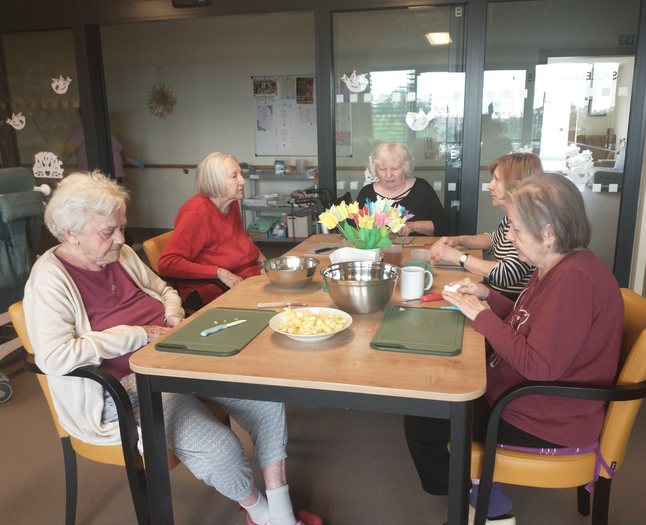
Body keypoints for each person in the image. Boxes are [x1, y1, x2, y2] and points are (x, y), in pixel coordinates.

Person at [22, 172, 321, 525]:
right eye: (108, 231)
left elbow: (165, 289)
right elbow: (54, 356)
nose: (121, 239)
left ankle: (280, 507)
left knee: (265, 396)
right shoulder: (49, 279)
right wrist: (139, 334)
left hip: (176, 352)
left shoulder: (121, 254)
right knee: (219, 447)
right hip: (131, 385)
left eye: (122, 227)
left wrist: (172, 314)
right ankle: (261, 513)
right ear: (71, 234)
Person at [405, 173, 623, 524]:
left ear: (549, 234)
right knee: (430, 405)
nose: (508, 237)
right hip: (528, 396)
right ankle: (479, 489)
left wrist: (481, 316)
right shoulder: (557, 263)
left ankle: (484, 503)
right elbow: (528, 322)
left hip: (544, 416)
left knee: (425, 420)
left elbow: (539, 365)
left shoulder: (573, 281)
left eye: (517, 230)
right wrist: (487, 296)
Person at [158, 152, 266, 310]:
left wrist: (260, 257)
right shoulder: (196, 213)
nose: (243, 181)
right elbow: (167, 264)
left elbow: (237, 238)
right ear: (216, 181)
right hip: (214, 288)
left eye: (240, 174)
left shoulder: (231, 203)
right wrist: (218, 272)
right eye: (234, 176)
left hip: (246, 274)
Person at [430, 153, 543, 301]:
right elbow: (492, 239)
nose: (490, 186)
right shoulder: (512, 218)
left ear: (516, 184)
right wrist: (458, 240)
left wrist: (457, 256)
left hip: (508, 302)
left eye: (497, 179)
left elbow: (506, 275)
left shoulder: (528, 224)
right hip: (493, 295)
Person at [357, 142, 450, 236]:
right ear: (376, 169)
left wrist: (413, 226)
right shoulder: (367, 193)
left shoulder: (422, 189)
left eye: (394, 169)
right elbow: (354, 230)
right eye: (383, 169)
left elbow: (444, 227)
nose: (388, 175)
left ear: (405, 168)